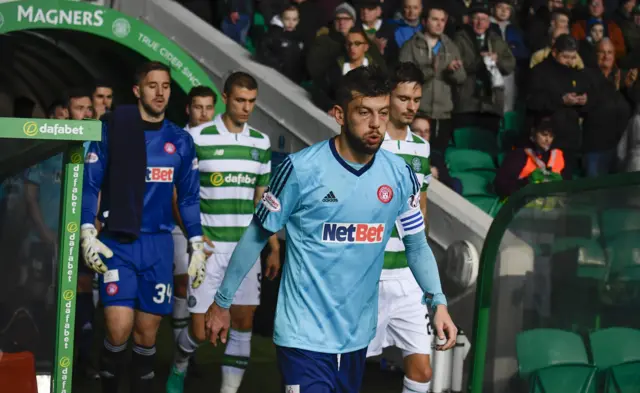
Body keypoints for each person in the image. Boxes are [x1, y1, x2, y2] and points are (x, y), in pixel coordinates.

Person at [205, 65, 457, 393]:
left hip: (355, 340)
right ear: (339, 114)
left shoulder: (399, 174)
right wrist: (222, 302)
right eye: (364, 112)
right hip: (302, 337)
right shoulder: (300, 170)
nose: (376, 124)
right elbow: (256, 235)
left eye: (382, 113)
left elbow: (417, 243)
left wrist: (438, 302)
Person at [80, 61, 204, 392]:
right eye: (152, 85)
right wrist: (86, 231)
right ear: (137, 90)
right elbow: (90, 184)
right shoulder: (112, 129)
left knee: (146, 334)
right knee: (118, 328)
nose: (160, 92)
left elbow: (189, 197)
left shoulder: (180, 140)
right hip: (117, 243)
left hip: (160, 246)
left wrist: (196, 241)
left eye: (165, 86)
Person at [167, 72, 281, 393]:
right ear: (226, 97)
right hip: (206, 250)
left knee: (243, 324)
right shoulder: (198, 138)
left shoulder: (261, 142)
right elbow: (179, 195)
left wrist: (272, 243)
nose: (246, 108)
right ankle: (179, 363)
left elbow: (263, 199)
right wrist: (192, 235)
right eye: (240, 100)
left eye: (251, 102)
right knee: (201, 332)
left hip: (246, 250)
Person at [366, 62, 434, 393]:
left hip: (407, 276)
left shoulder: (421, 148)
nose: (411, 106)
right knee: (349, 365)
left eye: (416, 99)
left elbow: (422, 205)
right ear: (388, 97)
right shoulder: (368, 142)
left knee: (421, 371)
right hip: (369, 273)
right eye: (404, 98)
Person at [170, 85, 218, 377]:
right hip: (178, 225)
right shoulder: (178, 140)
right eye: (198, 107)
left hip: (212, 229)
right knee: (181, 286)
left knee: (203, 293)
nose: (203, 113)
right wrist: (189, 230)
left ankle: (185, 354)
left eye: (208, 107)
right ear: (188, 109)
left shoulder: (219, 142)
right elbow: (174, 191)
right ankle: (182, 358)